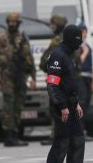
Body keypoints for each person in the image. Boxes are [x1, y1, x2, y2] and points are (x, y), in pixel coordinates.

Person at [0, 12, 36, 147]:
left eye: (14, 22)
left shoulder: (23, 39)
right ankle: (9, 136)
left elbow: (30, 59)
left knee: (18, 106)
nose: (12, 24)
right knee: (9, 107)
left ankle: (15, 134)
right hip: (7, 77)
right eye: (10, 22)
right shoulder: (2, 39)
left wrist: (33, 77)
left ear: (18, 23)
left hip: (21, 77)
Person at [46, 25, 85, 163]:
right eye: (77, 40)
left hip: (71, 105)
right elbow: (52, 84)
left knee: (78, 140)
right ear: (70, 39)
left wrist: (77, 103)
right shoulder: (58, 56)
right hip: (62, 107)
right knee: (62, 142)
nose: (79, 43)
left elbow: (69, 83)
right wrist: (62, 106)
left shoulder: (68, 55)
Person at [40, 14, 68, 146]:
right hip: (69, 81)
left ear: (57, 24)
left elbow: (44, 61)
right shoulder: (70, 39)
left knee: (55, 108)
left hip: (56, 80)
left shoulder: (56, 41)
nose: (51, 26)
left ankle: (55, 135)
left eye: (52, 24)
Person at [75, 22, 93, 142]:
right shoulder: (78, 46)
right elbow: (78, 63)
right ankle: (80, 131)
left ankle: (83, 131)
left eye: (86, 31)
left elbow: (91, 66)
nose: (85, 34)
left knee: (86, 104)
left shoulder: (86, 45)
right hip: (80, 78)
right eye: (83, 31)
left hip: (88, 77)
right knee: (81, 103)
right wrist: (85, 52)